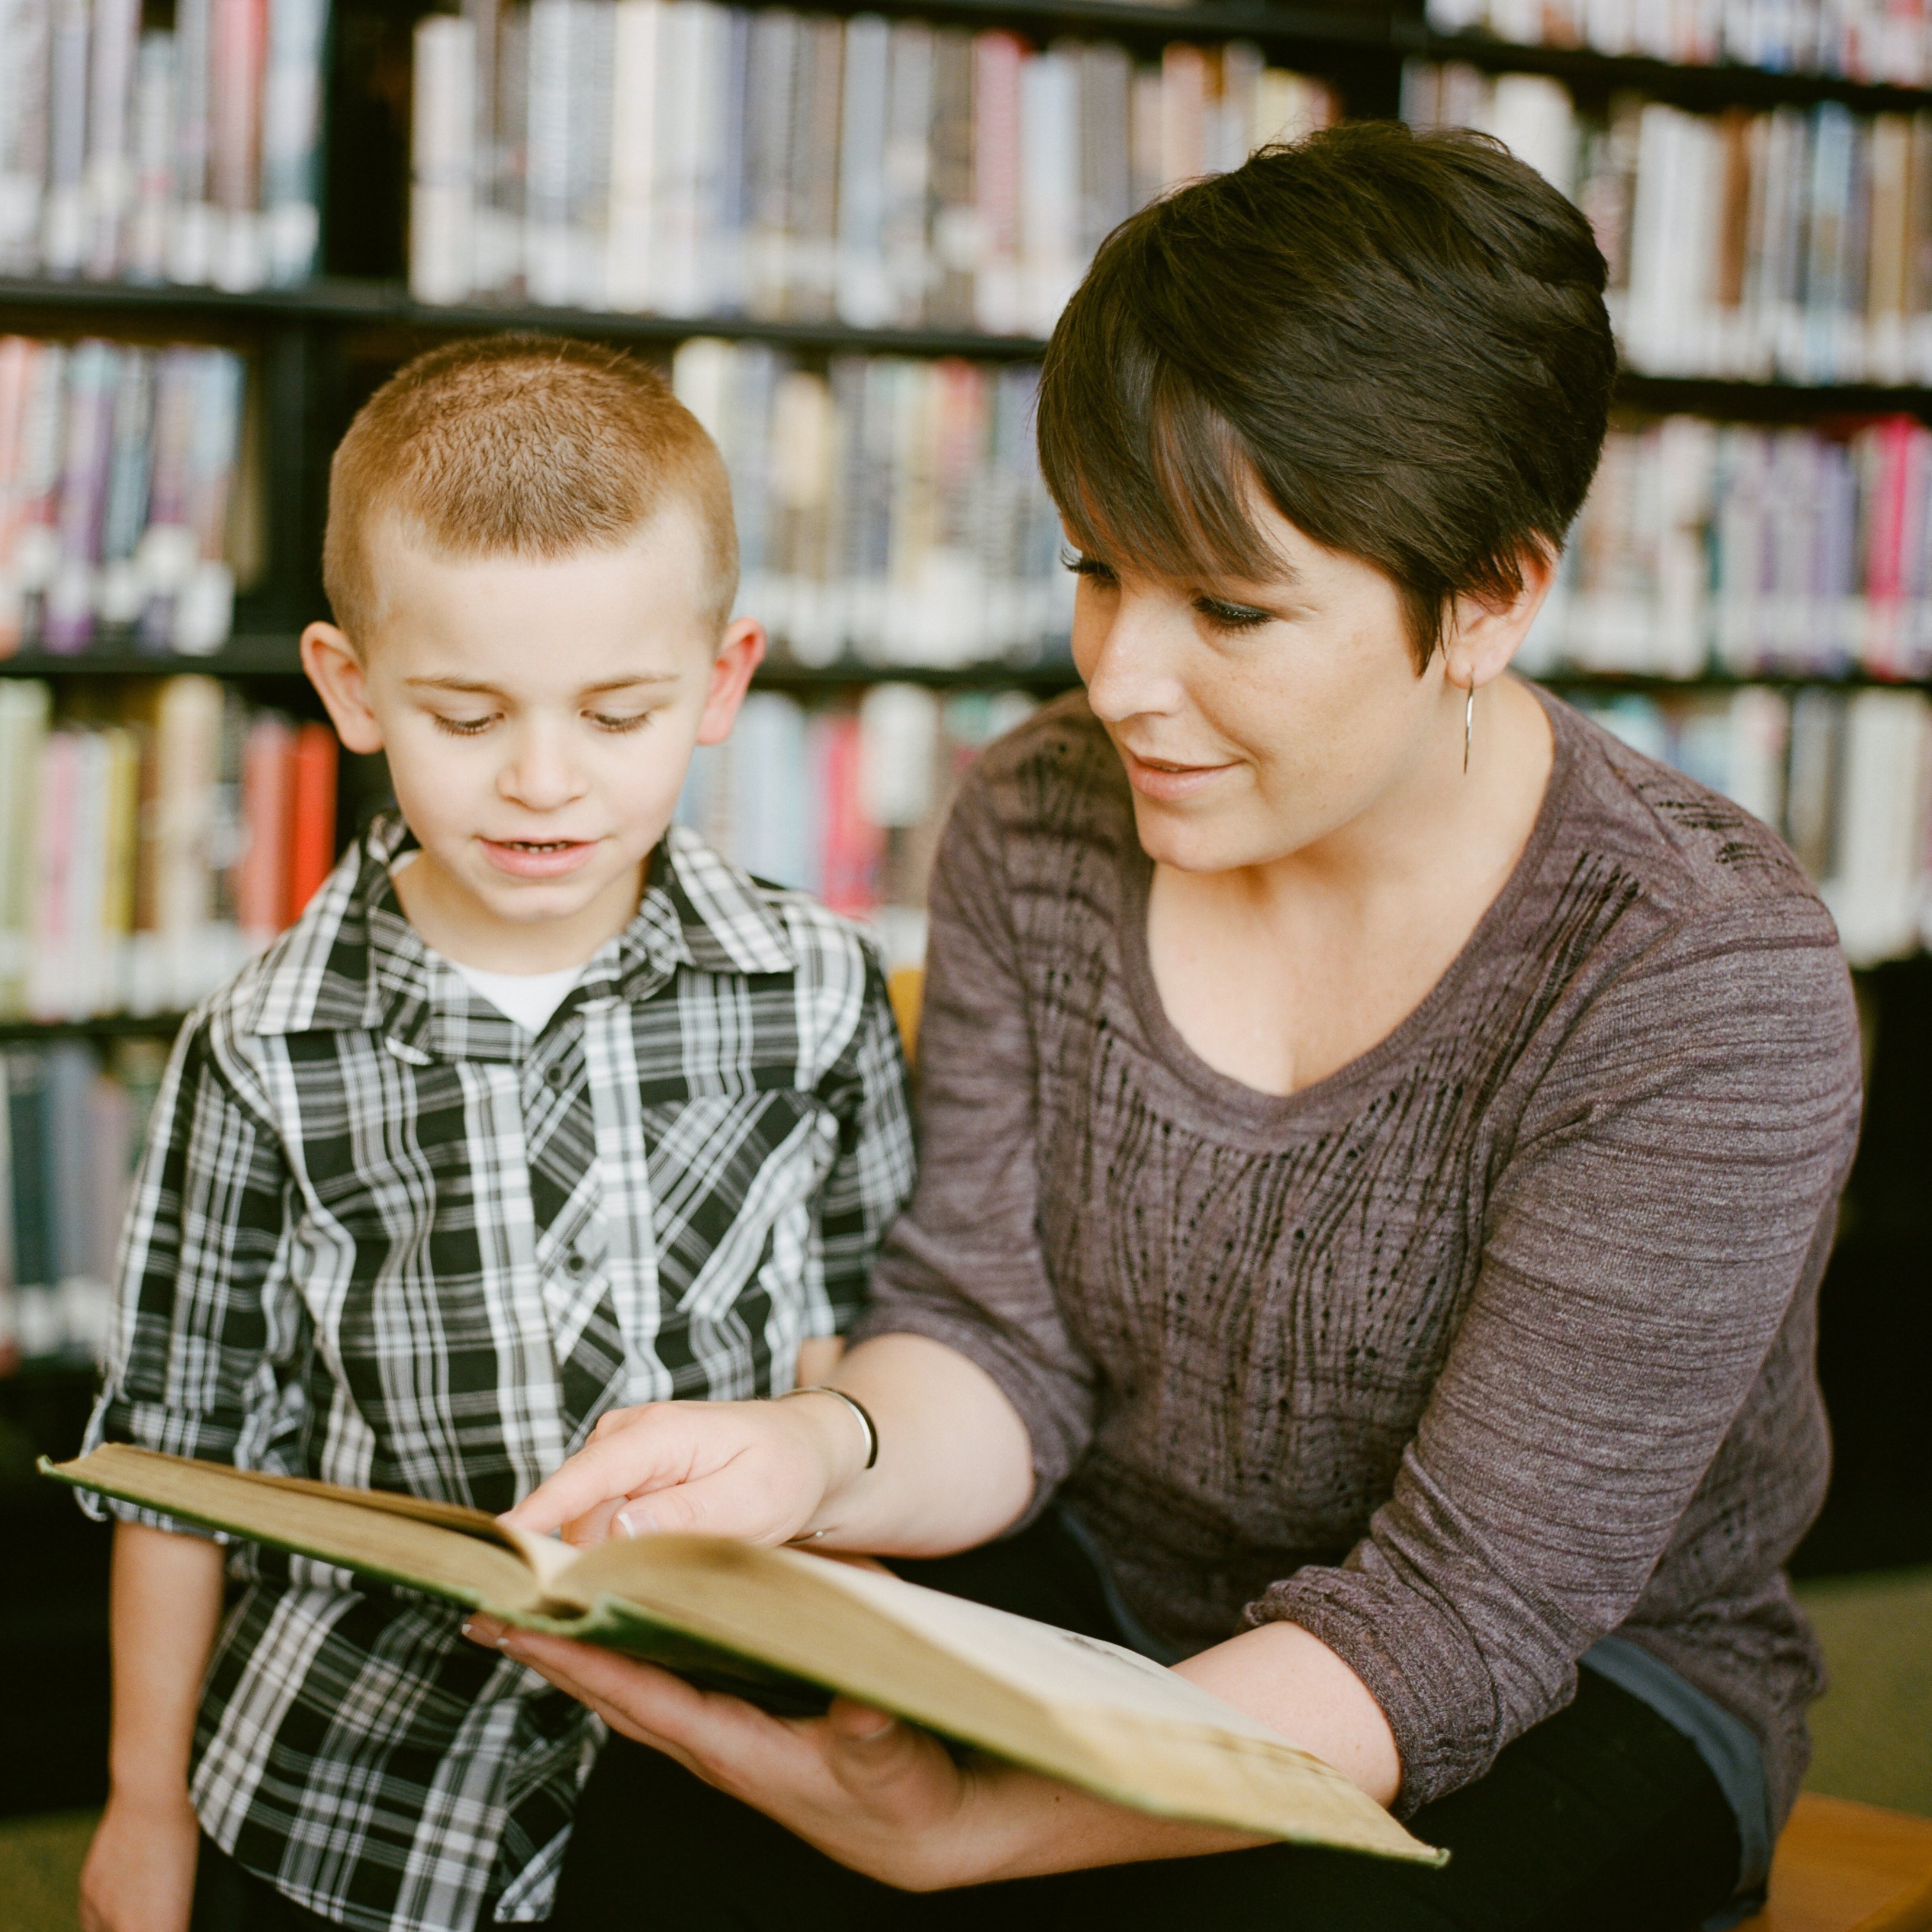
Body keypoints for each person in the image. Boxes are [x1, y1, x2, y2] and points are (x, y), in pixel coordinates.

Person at [471, 126, 1863, 1932]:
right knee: (673, 1833)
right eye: (1098, 569)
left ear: (1495, 599)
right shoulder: (1040, 816)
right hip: (1116, 1588)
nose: (1120, 676)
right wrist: (810, 1457)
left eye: (1229, 606)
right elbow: (994, 1343)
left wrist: (982, 1824)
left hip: (1580, 1689)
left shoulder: (1694, 977)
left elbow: (1460, 1624)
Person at [75, 336, 916, 1932]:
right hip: (358, 1794)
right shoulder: (264, 1048)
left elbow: (863, 1343)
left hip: (726, 1768)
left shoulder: (810, 987)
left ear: (724, 682)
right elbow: (170, 1464)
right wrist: (138, 1805)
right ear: (353, 690)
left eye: (618, 713)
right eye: (468, 714)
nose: (545, 782)